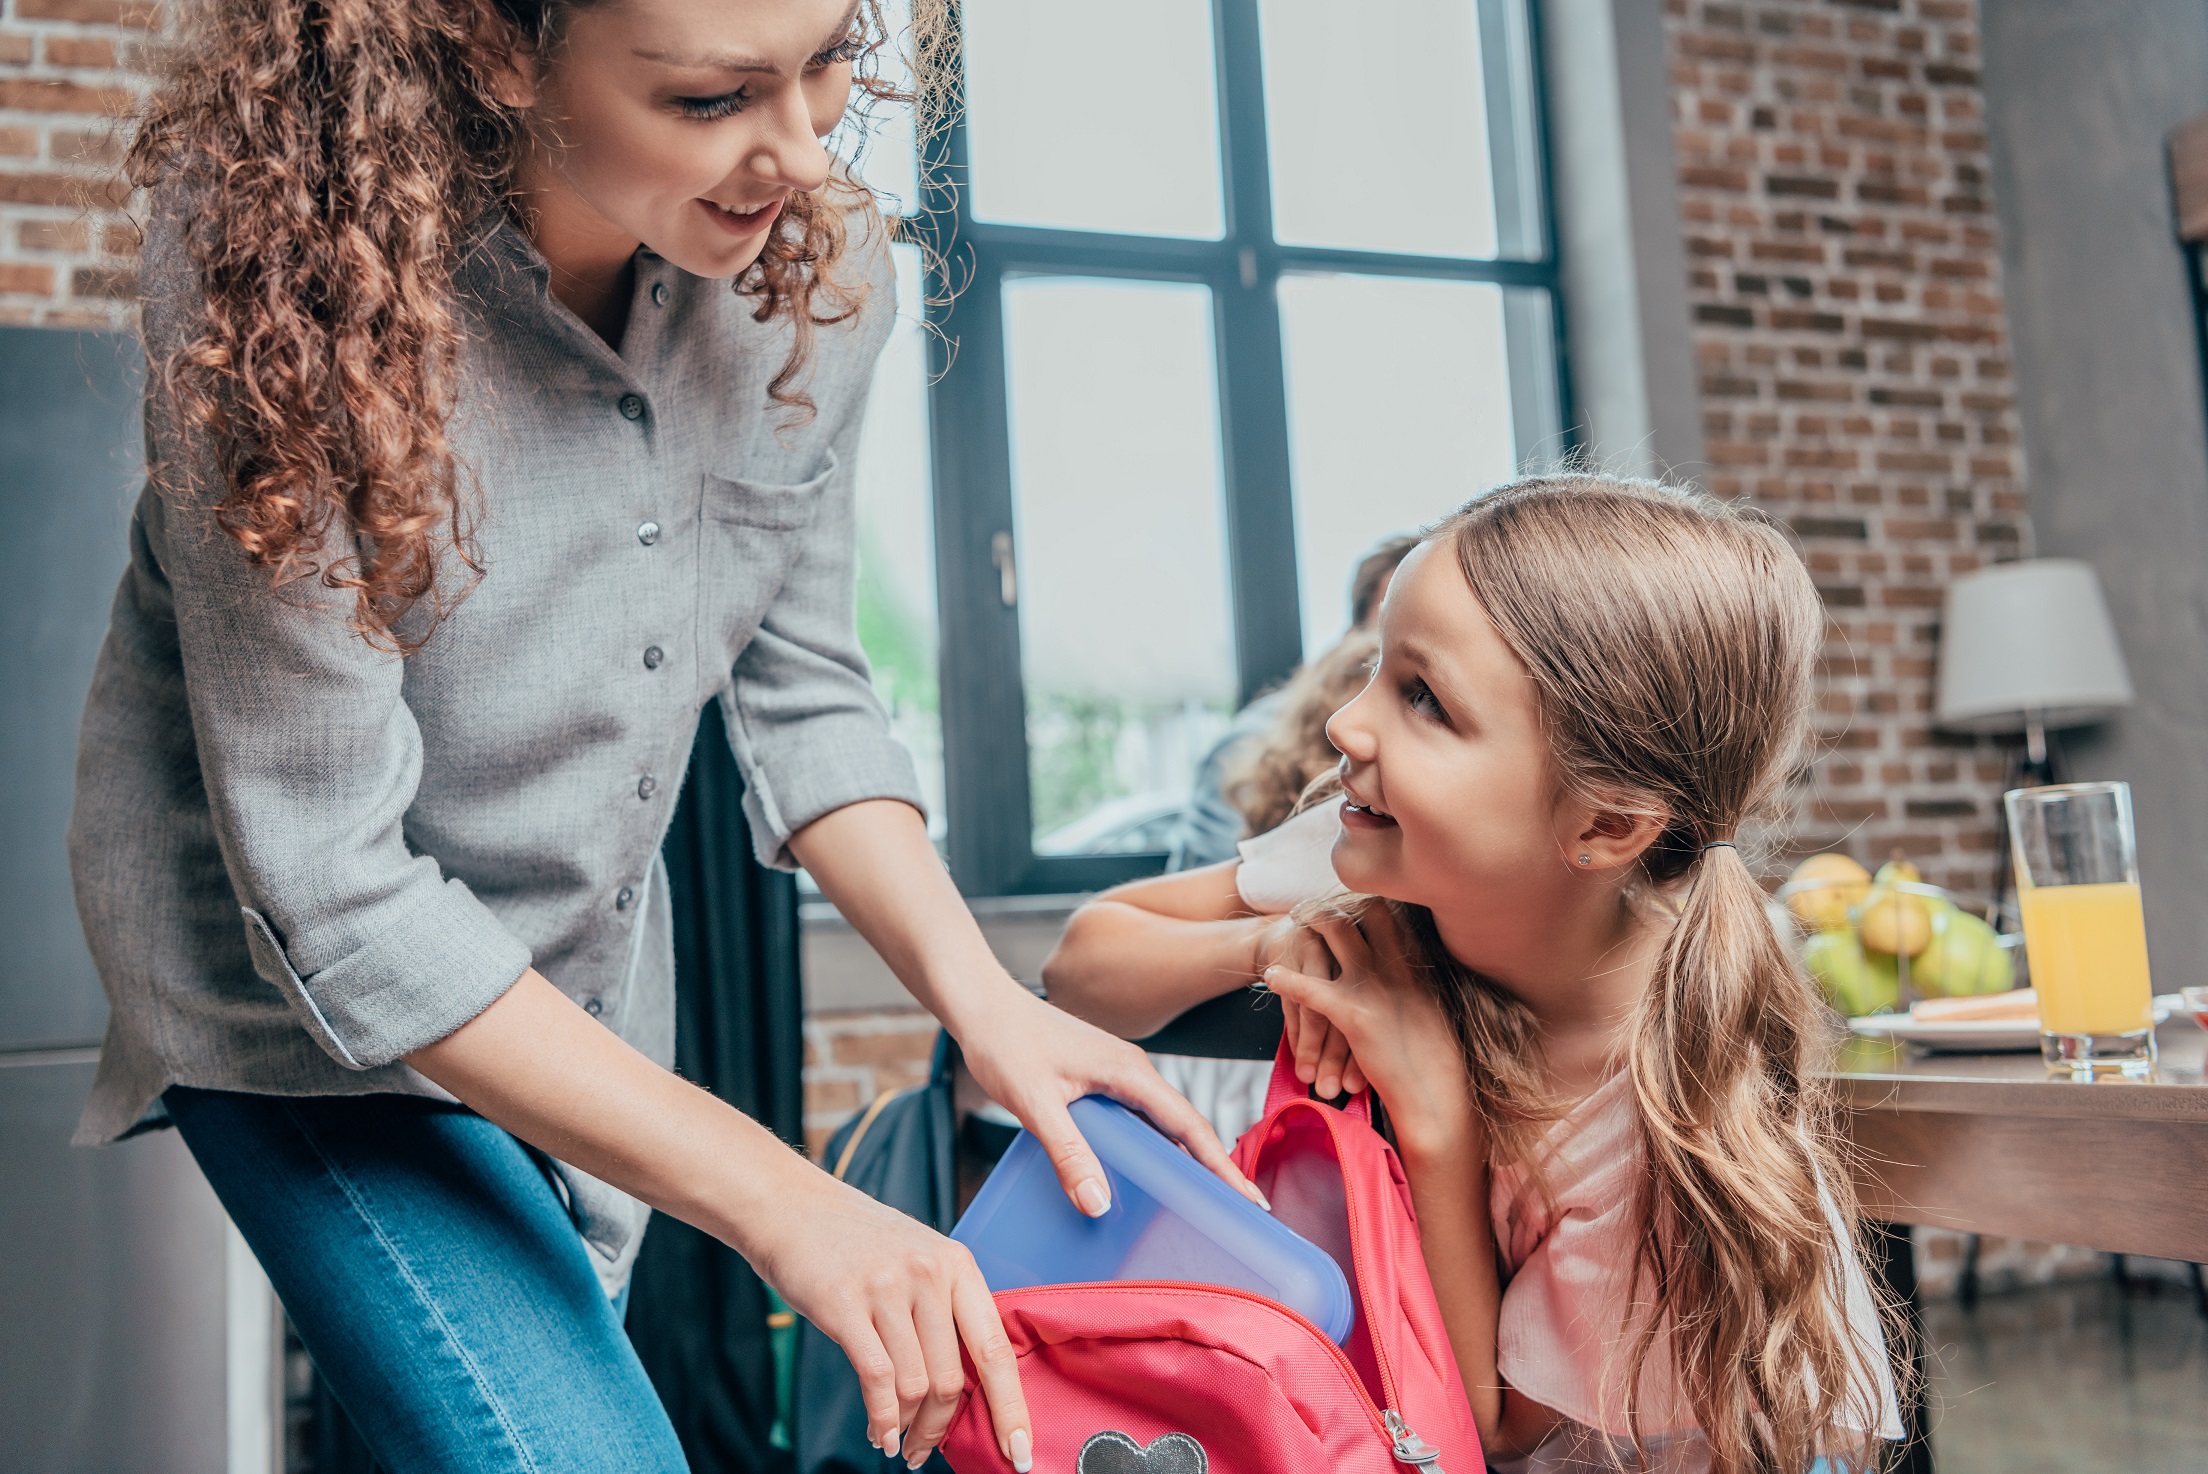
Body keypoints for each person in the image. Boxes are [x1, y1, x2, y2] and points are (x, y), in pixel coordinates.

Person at [67, 4, 1253, 1471]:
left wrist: (991, 1008)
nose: (805, 152)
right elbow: (332, 894)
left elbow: (804, 680)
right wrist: (791, 1201)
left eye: (827, 61)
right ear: (497, 48)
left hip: (580, 975)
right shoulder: (289, 271)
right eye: (712, 98)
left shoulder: (817, 275)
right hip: (299, 1008)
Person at [1045, 476, 1905, 1473]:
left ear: (1604, 824)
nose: (1345, 728)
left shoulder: (1658, 1117)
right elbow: (1079, 965)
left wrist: (1437, 1112)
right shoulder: (1374, 839)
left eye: (1423, 699)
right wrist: (1266, 947)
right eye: (1378, 669)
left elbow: (1495, 1429)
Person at [1166, 533, 1416, 872]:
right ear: (1351, 636)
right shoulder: (1252, 742)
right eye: (1388, 626)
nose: (1342, 729)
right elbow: (1198, 894)